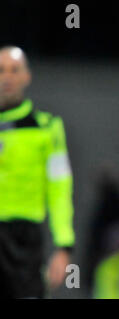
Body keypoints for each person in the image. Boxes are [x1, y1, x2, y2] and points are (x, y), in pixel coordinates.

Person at [0, 46, 75, 298]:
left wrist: (64, 245)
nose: (7, 77)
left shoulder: (47, 128)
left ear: (26, 76)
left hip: (24, 242)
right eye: (0, 70)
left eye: (14, 70)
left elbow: (59, 188)